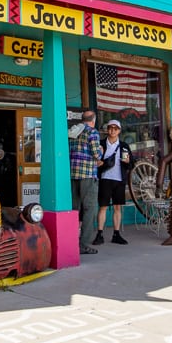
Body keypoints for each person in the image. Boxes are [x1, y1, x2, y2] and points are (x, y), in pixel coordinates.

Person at [69, 109, 103, 255]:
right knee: (90, 209)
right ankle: (83, 243)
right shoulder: (92, 132)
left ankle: (70, 240)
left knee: (74, 209)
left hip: (72, 174)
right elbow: (96, 154)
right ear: (93, 120)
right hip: (88, 174)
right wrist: (101, 150)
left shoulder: (73, 132)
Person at [94, 120, 133, 245]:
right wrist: (98, 164)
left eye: (116, 128)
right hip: (105, 179)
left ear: (119, 131)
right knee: (103, 207)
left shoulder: (124, 146)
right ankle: (99, 234)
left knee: (117, 207)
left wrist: (127, 163)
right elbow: (93, 161)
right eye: (110, 128)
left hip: (119, 180)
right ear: (107, 129)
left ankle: (116, 234)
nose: (113, 130)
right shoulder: (100, 144)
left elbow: (132, 164)